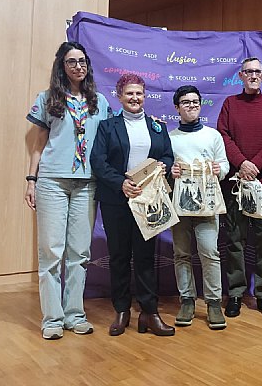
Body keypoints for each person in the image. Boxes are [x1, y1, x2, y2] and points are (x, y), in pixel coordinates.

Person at [25, 41, 111, 340]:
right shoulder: (48, 98)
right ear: (62, 66)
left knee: (80, 252)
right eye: (72, 61)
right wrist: (31, 179)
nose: (78, 66)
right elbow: (38, 143)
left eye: (82, 61)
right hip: (52, 181)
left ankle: (75, 314)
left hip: (87, 183)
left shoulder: (99, 101)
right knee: (51, 251)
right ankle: (52, 318)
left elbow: (109, 142)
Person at [90, 73, 175, 337]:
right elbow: (98, 161)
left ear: (145, 96)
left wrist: (165, 165)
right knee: (119, 256)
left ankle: (149, 313)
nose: (134, 98)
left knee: (146, 258)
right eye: (129, 93)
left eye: (139, 93)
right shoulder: (107, 126)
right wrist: (121, 184)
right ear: (119, 96)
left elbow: (168, 156)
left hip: (149, 201)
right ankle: (122, 311)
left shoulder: (157, 127)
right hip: (117, 200)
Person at [217, 57, 262, 318]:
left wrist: (253, 165)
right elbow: (223, 136)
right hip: (236, 183)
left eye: (258, 71)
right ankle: (235, 293)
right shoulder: (230, 104)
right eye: (249, 71)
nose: (254, 75)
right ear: (241, 76)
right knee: (235, 239)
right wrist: (242, 164)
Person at [169, 85, 230, 330]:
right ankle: (187, 300)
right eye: (186, 102)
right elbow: (164, 167)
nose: (192, 105)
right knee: (181, 254)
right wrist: (170, 172)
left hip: (207, 205)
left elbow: (224, 165)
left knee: (209, 253)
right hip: (180, 205)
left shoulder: (213, 136)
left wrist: (219, 170)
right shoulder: (170, 137)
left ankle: (214, 303)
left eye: (195, 101)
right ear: (177, 107)